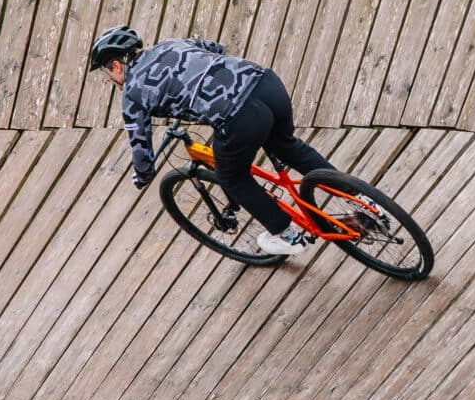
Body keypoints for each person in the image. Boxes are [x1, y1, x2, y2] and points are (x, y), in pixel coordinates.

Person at [88, 25, 331, 259]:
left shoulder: (132, 93)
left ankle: (286, 235)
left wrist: (142, 176)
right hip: (266, 83)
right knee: (287, 146)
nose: (109, 80)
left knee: (232, 177)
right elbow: (215, 48)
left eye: (106, 73)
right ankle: (362, 198)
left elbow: (140, 148)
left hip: (240, 116)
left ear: (116, 66)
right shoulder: (171, 44)